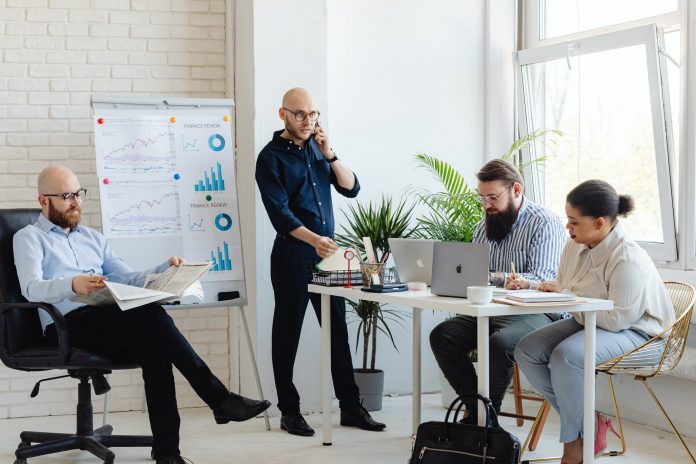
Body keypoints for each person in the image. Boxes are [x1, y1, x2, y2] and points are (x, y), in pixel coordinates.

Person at [14, 165, 271, 464]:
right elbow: (31, 288)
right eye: (66, 196)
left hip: (104, 317)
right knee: (151, 316)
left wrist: (164, 269)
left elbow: (128, 277)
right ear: (44, 201)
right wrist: (72, 283)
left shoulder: (93, 239)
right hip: (65, 325)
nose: (75, 202)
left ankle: (168, 453)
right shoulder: (29, 238)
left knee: (153, 351)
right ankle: (220, 399)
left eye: (78, 194)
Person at [512, 180, 675, 464]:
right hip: (591, 318)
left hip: (641, 332)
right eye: (567, 219)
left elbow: (617, 319)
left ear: (599, 223)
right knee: (527, 348)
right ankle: (590, 423)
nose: (567, 227)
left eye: (574, 221)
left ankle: (575, 441)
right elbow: (565, 286)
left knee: (568, 356)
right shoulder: (574, 245)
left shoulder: (627, 258)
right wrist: (556, 292)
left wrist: (567, 296)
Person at [255, 87, 385, 436]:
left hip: (327, 255)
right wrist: (314, 240)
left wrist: (329, 154)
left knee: (337, 330)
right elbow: (279, 214)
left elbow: (352, 187)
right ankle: (290, 411)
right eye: (300, 115)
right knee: (288, 331)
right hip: (294, 254)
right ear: (282, 114)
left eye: (313, 114)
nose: (308, 121)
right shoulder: (269, 158)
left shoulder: (317, 147)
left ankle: (350, 407)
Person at [429, 159, 566, 420]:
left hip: (538, 312)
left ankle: (480, 419)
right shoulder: (484, 226)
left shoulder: (543, 223)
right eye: (482, 198)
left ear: (516, 190)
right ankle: (479, 411)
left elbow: (543, 277)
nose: (486, 205)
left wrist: (497, 277)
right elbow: (476, 274)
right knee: (443, 335)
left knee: (500, 343)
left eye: (493, 197)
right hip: (493, 310)